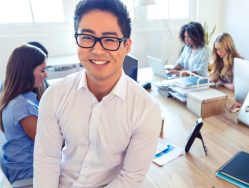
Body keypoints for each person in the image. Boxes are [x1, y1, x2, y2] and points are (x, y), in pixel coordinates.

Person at [33, 0, 162, 187]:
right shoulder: (54, 96)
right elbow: (47, 160)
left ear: (127, 46)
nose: (97, 50)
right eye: (87, 37)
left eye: (110, 39)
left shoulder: (146, 111)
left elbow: (129, 178)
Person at [0, 44, 47, 183]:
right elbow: (47, 142)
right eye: (42, 70)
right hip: (28, 175)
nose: (46, 75)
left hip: (22, 170)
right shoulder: (23, 106)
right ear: (27, 71)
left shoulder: (19, 99)